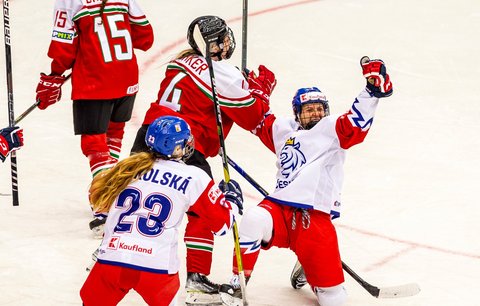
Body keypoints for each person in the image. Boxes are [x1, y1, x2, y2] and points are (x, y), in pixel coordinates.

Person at [218, 56, 393, 306]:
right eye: (309, 109)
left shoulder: (332, 130)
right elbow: (257, 120)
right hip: (278, 209)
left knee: (334, 301)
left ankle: (308, 265)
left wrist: (372, 90)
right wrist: (252, 94)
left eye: (320, 108)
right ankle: (237, 285)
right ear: (297, 113)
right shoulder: (284, 130)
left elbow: (355, 125)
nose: (316, 113)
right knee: (254, 218)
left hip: (315, 220)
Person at [130, 15, 276, 304]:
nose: (227, 42)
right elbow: (253, 115)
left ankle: (111, 249)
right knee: (203, 209)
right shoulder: (221, 72)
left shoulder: (181, 61)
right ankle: (196, 280)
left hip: (148, 135)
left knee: (137, 195)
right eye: (221, 38)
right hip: (182, 145)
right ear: (212, 45)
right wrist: (261, 88)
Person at [80, 115, 244, 306]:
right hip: (156, 267)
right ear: (175, 147)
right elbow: (223, 226)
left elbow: (97, 200)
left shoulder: (126, 169)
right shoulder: (194, 176)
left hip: (112, 259)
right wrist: (231, 200)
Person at [35, 0, 154, 236]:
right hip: (126, 78)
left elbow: (63, 45)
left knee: (94, 143)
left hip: (94, 82)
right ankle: (114, 189)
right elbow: (145, 38)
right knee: (112, 136)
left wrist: (55, 75)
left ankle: (106, 202)